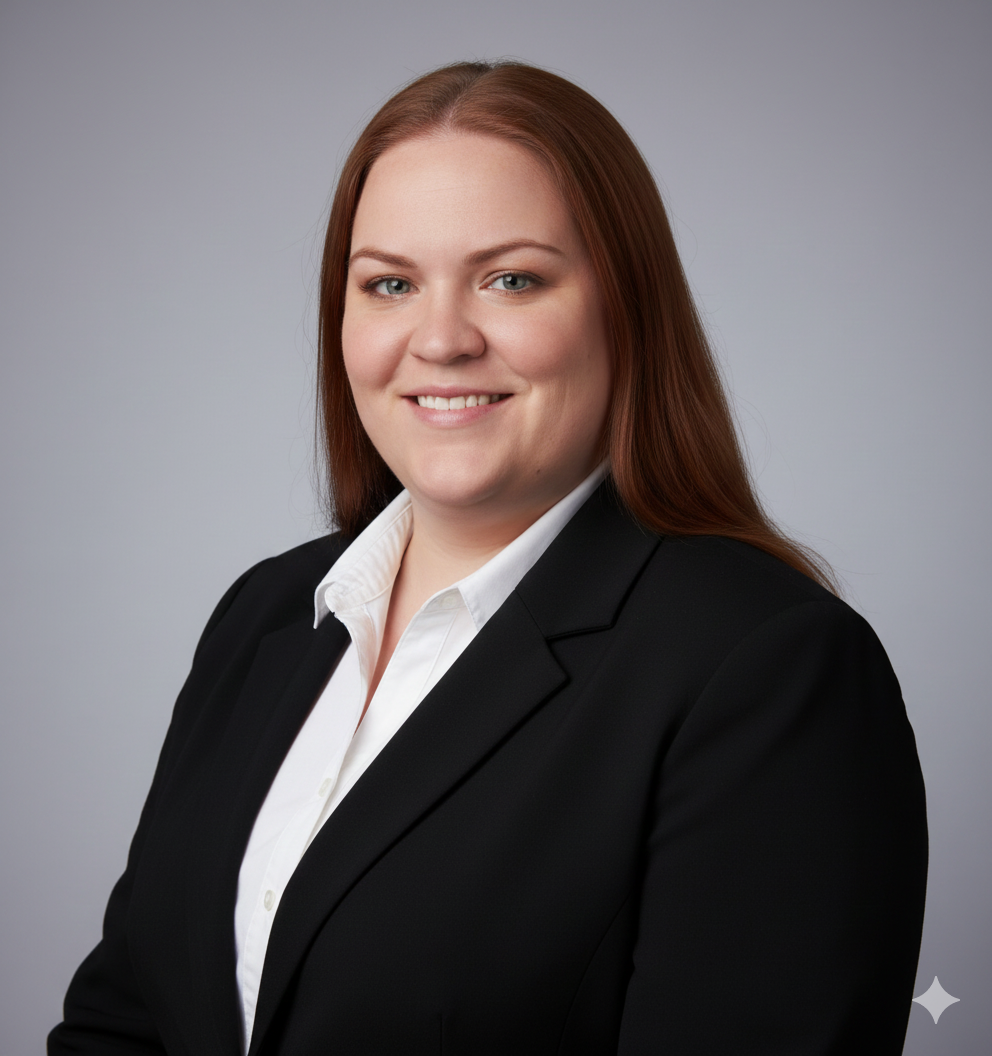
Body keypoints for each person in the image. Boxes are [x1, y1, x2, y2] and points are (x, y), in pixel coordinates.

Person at [49, 61, 927, 1055]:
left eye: (510, 279)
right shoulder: (266, 614)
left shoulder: (766, 669)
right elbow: (125, 1019)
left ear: (623, 309)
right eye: (388, 284)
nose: (440, 339)